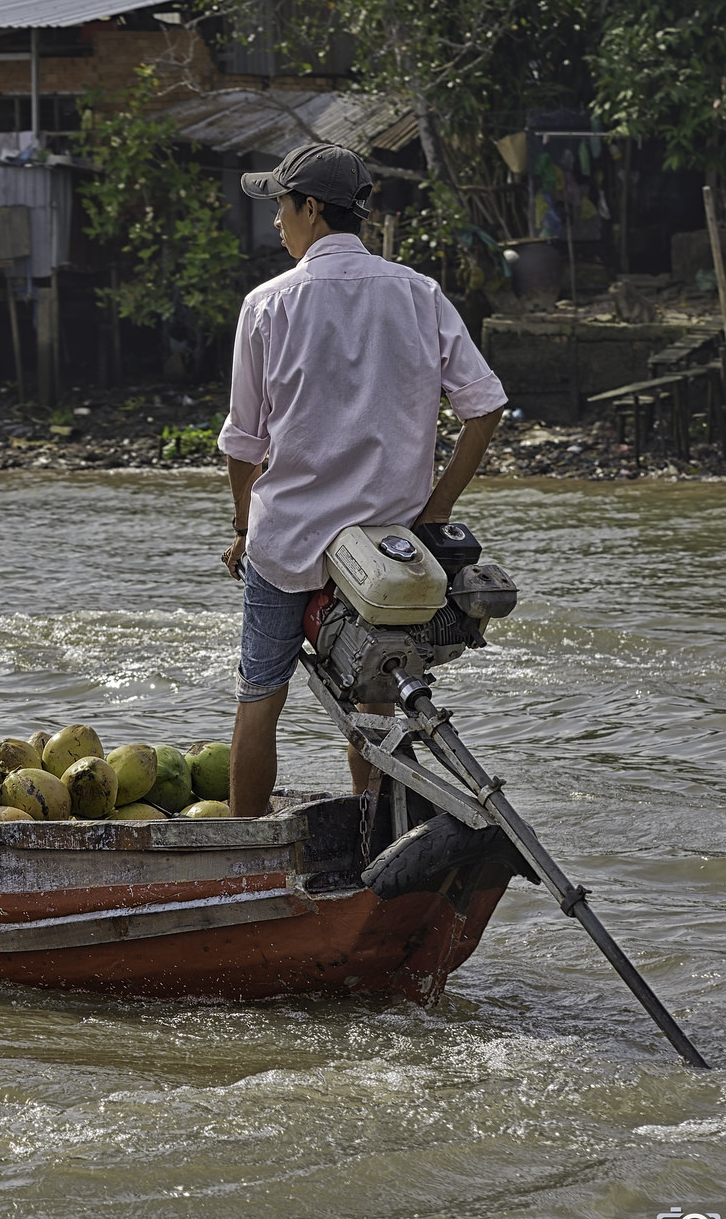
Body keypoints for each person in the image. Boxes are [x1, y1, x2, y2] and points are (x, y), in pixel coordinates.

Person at [216, 143, 509, 818]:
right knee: (375, 695)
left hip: (288, 538)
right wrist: (435, 511)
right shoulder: (418, 293)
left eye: (281, 207)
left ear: (311, 209)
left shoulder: (267, 303)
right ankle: (377, 830)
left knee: (261, 690)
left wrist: (242, 527)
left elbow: (242, 442)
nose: (276, 223)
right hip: (387, 545)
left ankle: (245, 845)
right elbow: (485, 406)